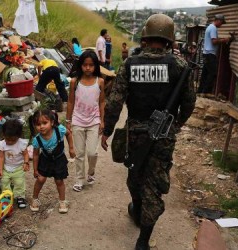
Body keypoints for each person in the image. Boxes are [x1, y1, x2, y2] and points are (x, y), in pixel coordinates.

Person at [100, 14, 196, 250]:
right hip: (163, 135)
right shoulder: (180, 66)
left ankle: (137, 207)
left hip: (136, 133)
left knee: (135, 172)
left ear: (146, 37)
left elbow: (114, 102)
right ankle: (143, 240)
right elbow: (189, 102)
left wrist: (108, 130)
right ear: (169, 40)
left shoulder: (130, 64)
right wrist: (177, 123)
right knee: (154, 182)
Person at [66, 50, 105, 192]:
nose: (88, 68)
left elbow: (101, 102)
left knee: (92, 153)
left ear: (95, 66)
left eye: (91, 65)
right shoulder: (75, 82)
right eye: (85, 65)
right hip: (77, 120)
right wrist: (68, 120)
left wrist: (102, 120)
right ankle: (79, 179)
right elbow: (70, 102)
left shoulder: (100, 81)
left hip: (94, 120)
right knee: (80, 153)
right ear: (80, 65)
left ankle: (91, 172)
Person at [28, 109, 75, 213]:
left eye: (45, 123)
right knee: (40, 179)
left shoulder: (59, 130)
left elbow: (69, 134)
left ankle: (62, 201)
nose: (41, 126)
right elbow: (35, 155)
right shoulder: (37, 139)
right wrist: (35, 169)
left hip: (59, 159)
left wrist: (71, 148)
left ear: (52, 122)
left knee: (59, 181)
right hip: (45, 160)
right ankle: (35, 199)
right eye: (38, 124)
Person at [0, 119, 30, 209]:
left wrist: (26, 162)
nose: (10, 142)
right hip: (6, 167)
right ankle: (6, 196)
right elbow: (1, 157)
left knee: (19, 182)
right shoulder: (2, 144)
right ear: (3, 135)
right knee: (4, 182)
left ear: (18, 136)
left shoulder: (21, 144)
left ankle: (20, 197)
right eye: (8, 139)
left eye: (13, 140)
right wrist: (0, 169)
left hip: (18, 167)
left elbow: (26, 154)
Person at [198, 14, 230, 95]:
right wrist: (224, 40)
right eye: (222, 23)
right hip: (210, 54)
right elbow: (214, 41)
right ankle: (206, 92)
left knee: (205, 74)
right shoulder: (213, 28)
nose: (221, 25)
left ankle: (200, 92)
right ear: (218, 20)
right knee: (212, 73)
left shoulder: (209, 27)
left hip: (206, 53)